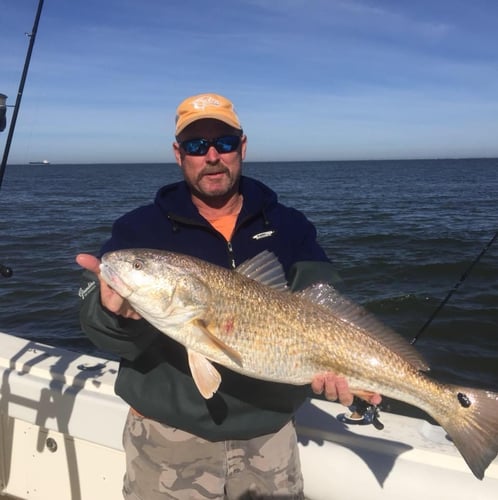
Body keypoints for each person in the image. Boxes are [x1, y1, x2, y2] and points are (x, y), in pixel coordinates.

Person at [76, 93, 381, 500]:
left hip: (268, 433)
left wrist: (340, 368)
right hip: (168, 434)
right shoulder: (138, 230)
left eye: (224, 142)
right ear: (178, 153)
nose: (212, 155)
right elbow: (99, 328)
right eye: (196, 145)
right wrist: (112, 316)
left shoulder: (288, 224)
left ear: (242, 147)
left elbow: (326, 302)